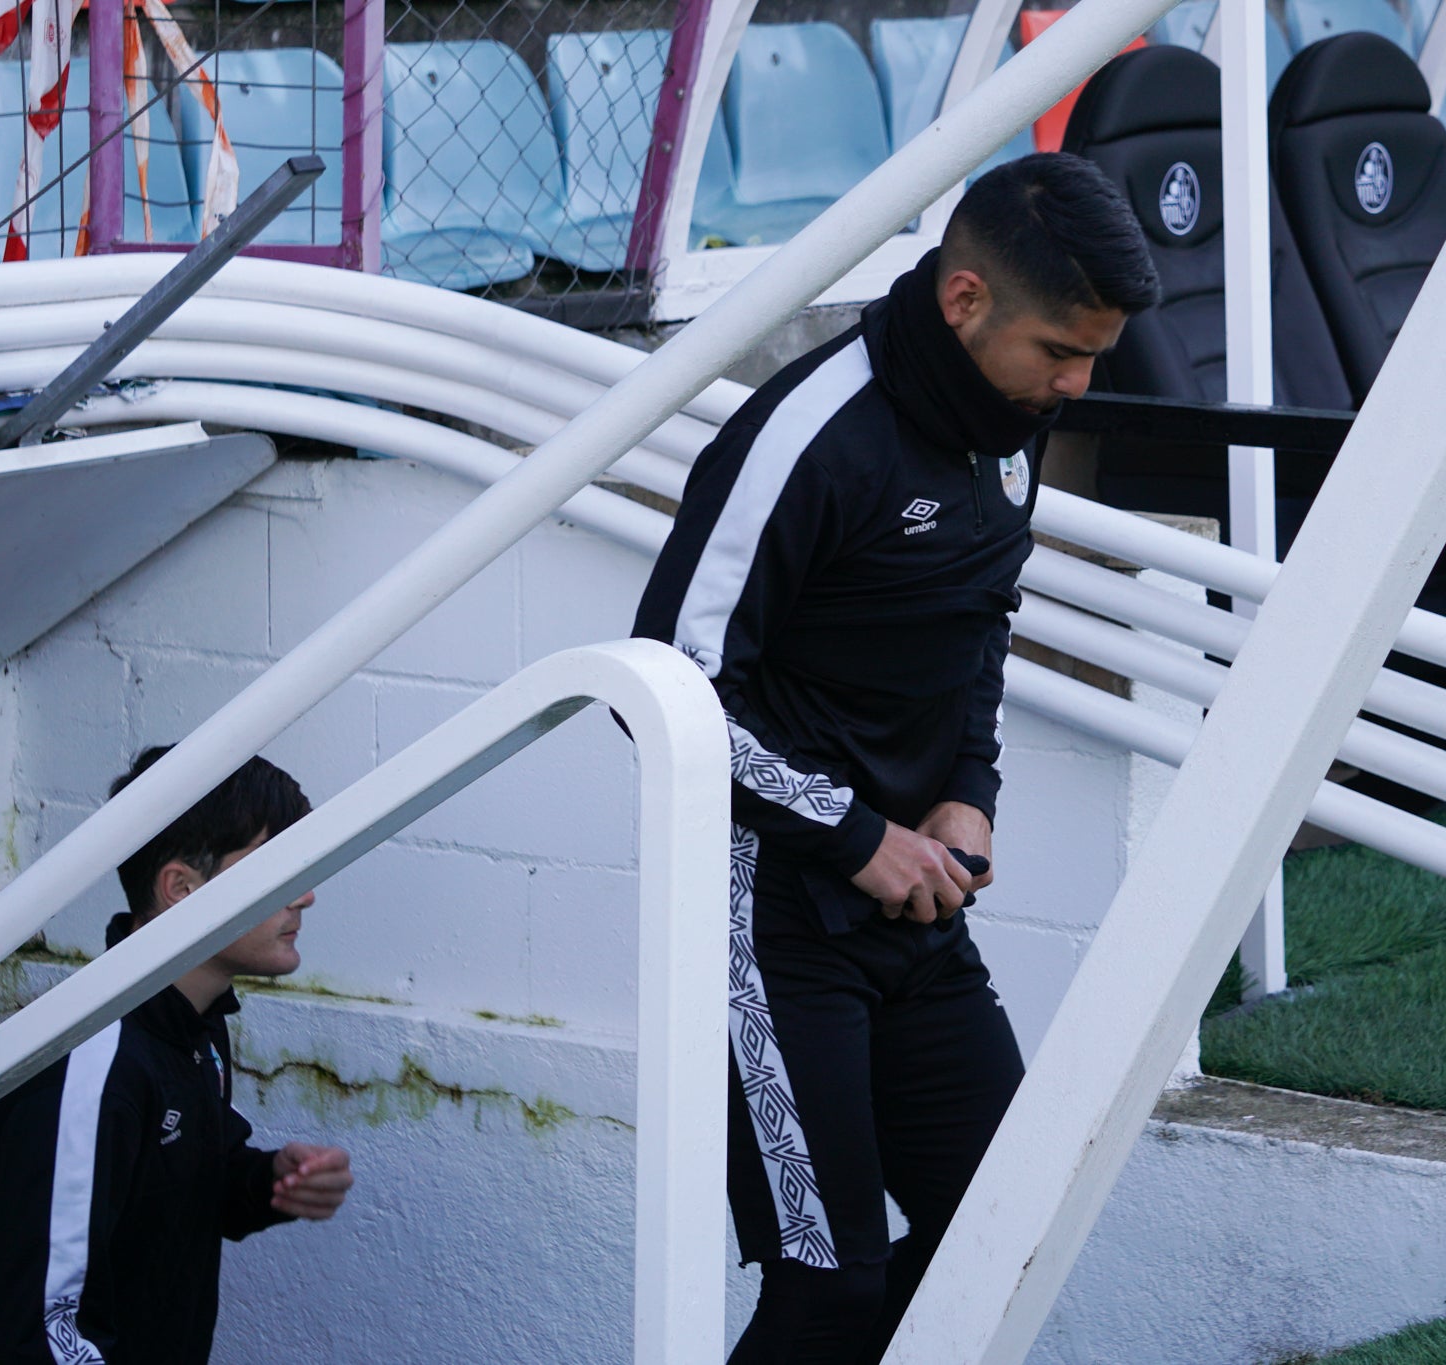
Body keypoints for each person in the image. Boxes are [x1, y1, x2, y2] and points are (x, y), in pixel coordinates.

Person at [633, 152, 1159, 1363]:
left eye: (1095, 357)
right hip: (767, 921)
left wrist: (966, 797)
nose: (1076, 385)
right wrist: (855, 837)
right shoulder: (811, 436)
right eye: (1058, 353)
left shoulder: (1008, 429)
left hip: (918, 905)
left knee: (1000, 1227)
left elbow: (978, 633)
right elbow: (664, 686)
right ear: (963, 299)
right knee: (828, 1292)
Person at [0, 748, 353, 1364]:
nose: (307, 895)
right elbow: (50, 1335)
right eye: (279, 865)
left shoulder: (189, 1022)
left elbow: (172, 1174)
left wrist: (268, 1181)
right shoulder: (93, 1061)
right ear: (181, 888)